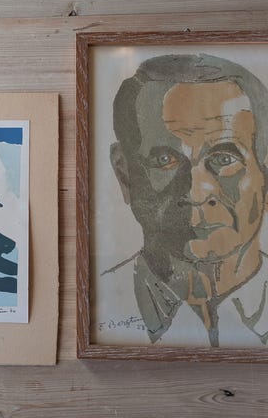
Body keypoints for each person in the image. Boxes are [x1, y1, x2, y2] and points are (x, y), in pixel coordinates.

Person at [104, 53, 268, 347]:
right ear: (124, 173)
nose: (195, 193)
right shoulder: (101, 306)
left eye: (224, 159)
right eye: (164, 160)